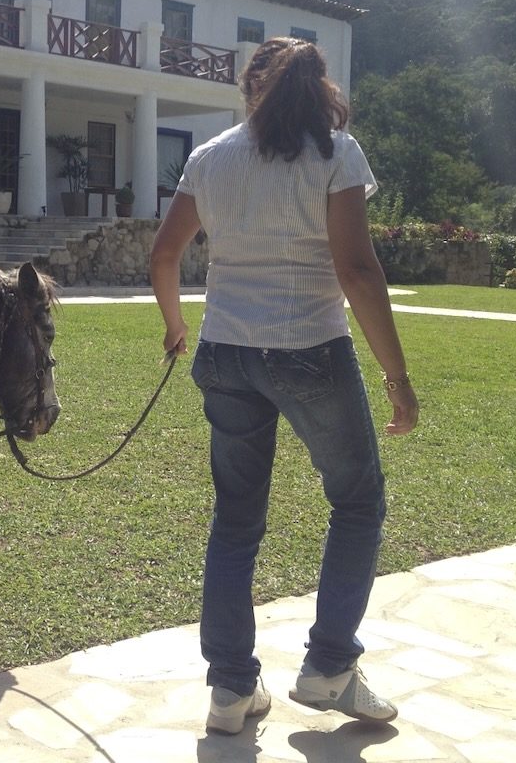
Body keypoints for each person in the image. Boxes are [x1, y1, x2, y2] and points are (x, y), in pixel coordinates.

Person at [150, 37, 419, 735]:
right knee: (358, 501)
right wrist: (397, 376)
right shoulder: (335, 152)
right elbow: (357, 270)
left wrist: (176, 325)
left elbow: (166, 254)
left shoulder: (210, 157)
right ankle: (330, 668)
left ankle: (231, 690)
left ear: (251, 88)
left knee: (236, 519)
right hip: (307, 349)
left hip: (226, 352)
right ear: (317, 89)